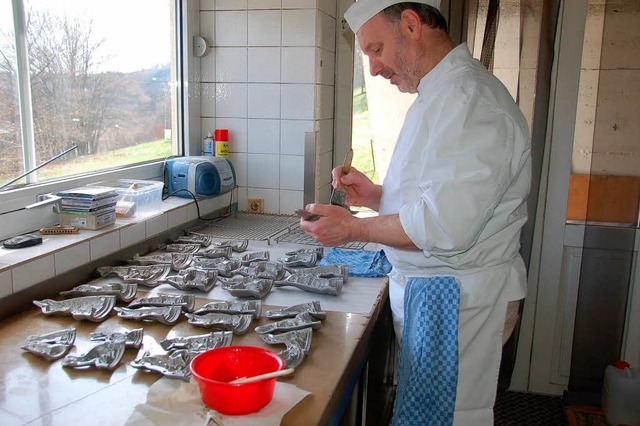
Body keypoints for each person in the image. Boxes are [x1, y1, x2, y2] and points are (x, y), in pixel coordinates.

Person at [299, 0, 531, 425]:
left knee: (449, 418)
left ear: (410, 25)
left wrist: (352, 229)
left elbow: (444, 224)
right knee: (429, 414)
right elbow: (442, 198)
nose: (373, 69)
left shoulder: (470, 100)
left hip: (458, 300)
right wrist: (374, 196)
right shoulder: (440, 94)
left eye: (376, 49)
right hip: (439, 293)